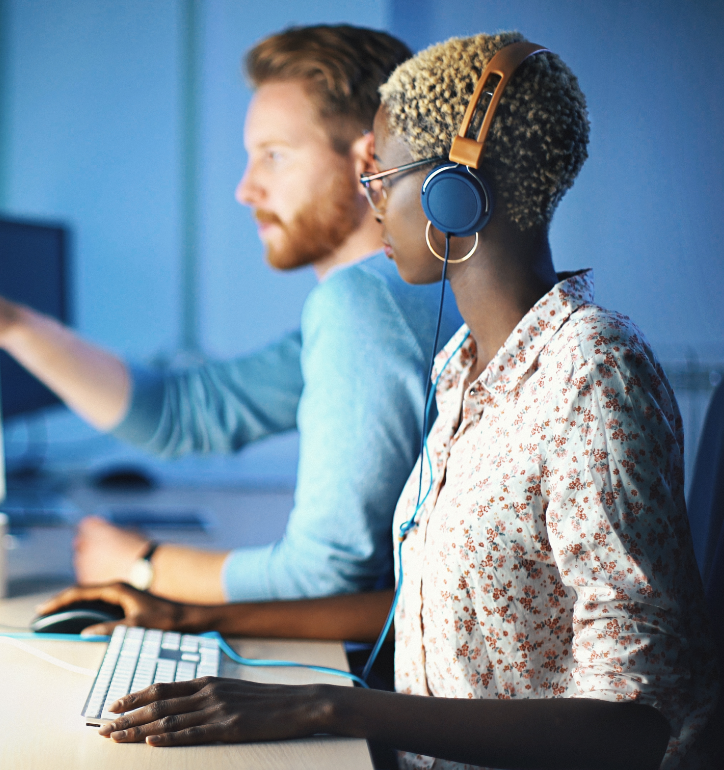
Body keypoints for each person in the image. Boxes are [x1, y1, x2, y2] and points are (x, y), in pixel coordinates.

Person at [39, 31, 719, 769]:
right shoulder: (465, 366)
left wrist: (325, 705)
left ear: (452, 195)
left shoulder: (591, 372)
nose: (373, 206)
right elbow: (422, 609)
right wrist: (190, 617)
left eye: (382, 178)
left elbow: (635, 722)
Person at [0, 25, 461, 604]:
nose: (245, 189)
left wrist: (142, 565)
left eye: (273, 157)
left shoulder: (363, 303)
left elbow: (326, 578)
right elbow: (181, 413)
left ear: (368, 160)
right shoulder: (395, 296)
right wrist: (6, 322)